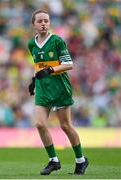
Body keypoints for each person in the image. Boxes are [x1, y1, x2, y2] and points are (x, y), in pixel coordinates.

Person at [27, 9, 88, 175]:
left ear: (49, 23)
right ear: (33, 24)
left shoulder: (57, 41)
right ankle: (54, 160)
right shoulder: (31, 44)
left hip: (60, 86)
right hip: (43, 88)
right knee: (39, 124)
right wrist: (34, 80)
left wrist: (50, 70)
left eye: (46, 21)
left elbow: (69, 64)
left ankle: (81, 160)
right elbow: (39, 65)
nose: (43, 24)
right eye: (39, 21)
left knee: (65, 126)